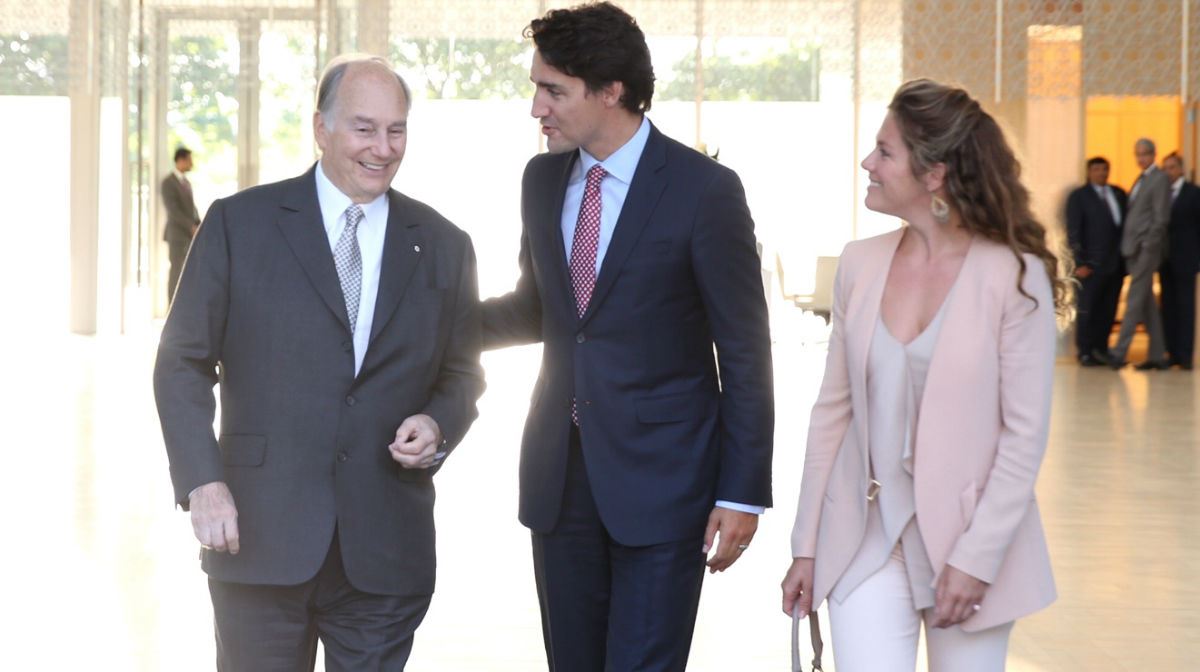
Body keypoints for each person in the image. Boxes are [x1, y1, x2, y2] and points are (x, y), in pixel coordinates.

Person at [153, 54, 485, 670]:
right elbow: (181, 363)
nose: (383, 148)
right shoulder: (239, 224)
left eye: (396, 130)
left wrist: (438, 423)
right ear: (321, 128)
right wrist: (202, 482)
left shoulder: (445, 244)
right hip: (257, 536)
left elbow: (463, 372)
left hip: (386, 548)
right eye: (364, 128)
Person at [481, 3, 774, 670]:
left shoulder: (705, 191)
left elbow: (745, 352)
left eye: (553, 90)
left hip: (666, 483)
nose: (536, 108)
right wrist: (426, 325)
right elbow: (538, 311)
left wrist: (741, 492)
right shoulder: (541, 180)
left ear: (610, 90)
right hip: (560, 481)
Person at [780, 79, 1064, 671]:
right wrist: (806, 545)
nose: (868, 162)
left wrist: (977, 558)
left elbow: (1023, 437)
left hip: (970, 545)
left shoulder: (1013, 276)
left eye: (885, 152)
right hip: (865, 539)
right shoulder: (860, 263)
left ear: (934, 174)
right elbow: (831, 415)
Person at [1108, 138, 1171, 369]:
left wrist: (1149, 244)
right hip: (1133, 248)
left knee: (1134, 300)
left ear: (1153, 154)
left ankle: (1119, 352)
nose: (1141, 158)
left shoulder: (1159, 178)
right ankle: (1158, 355)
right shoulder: (1142, 178)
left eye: (1144, 154)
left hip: (1146, 249)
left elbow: (1161, 217)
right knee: (1146, 303)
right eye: (1138, 154)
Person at [1065, 156, 1126, 366]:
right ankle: (1085, 351)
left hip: (1115, 264)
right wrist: (1080, 262)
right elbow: (1073, 231)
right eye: (1097, 169)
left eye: (1104, 169)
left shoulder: (1118, 194)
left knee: (1108, 310)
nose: (1101, 173)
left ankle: (1101, 348)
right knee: (1088, 309)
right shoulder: (1079, 197)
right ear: (1089, 172)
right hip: (1090, 266)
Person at [1159, 152, 1200, 370]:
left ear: (1181, 169)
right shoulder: (1162, 194)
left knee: (1185, 307)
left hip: (1186, 259)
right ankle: (1171, 352)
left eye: (1172, 167)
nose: (1169, 172)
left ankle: (1185, 356)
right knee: (1168, 307)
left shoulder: (1193, 193)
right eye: (1165, 168)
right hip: (1165, 259)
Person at [161, 146, 201, 301]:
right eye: (189, 160)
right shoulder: (168, 183)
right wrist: (191, 226)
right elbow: (173, 210)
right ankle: (171, 308)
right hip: (177, 235)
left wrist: (199, 224)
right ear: (181, 160)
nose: (192, 164)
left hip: (189, 236)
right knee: (176, 272)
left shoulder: (186, 182)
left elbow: (192, 208)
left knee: (187, 273)